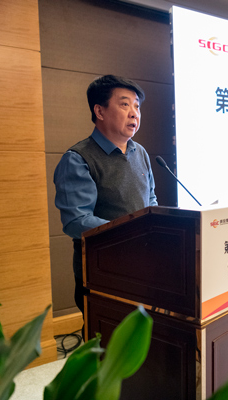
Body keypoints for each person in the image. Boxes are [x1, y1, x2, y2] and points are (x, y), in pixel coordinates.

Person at [54, 75, 158, 314]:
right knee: (107, 334)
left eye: (137, 106)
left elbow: (151, 200)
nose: (134, 113)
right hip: (103, 272)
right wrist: (132, 231)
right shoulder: (78, 158)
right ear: (99, 111)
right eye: (124, 104)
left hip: (142, 263)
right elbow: (77, 221)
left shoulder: (140, 152)